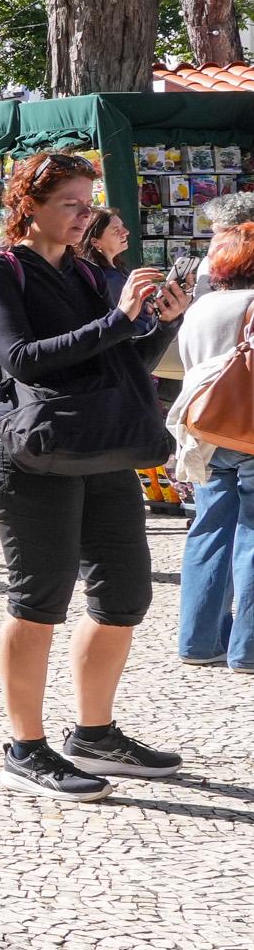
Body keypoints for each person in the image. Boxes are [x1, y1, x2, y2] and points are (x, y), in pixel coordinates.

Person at [0, 152, 188, 799]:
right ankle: (25, 747)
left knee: (125, 596)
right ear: (28, 205)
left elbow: (123, 363)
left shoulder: (92, 274)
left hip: (100, 446)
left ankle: (95, 735)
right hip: (31, 454)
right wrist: (117, 320)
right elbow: (21, 359)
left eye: (86, 205)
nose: (81, 216)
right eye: (69, 203)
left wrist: (161, 323)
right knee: (39, 600)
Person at [174, 199, 254, 674]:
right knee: (252, 534)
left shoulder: (201, 307)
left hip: (206, 431)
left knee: (208, 530)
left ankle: (198, 641)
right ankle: (248, 649)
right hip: (251, 431)